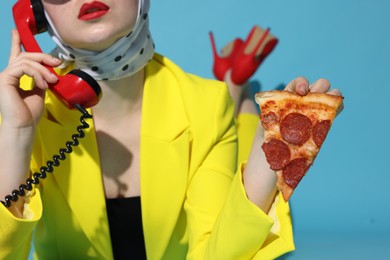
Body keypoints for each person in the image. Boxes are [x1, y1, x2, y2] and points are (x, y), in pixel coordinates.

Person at [0, 0, 343, 259]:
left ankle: (244, 105)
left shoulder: (206, 105)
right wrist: (17, 134)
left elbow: (215, 252)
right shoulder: (25, 107)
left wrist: (269, 152)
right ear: (37, 16)